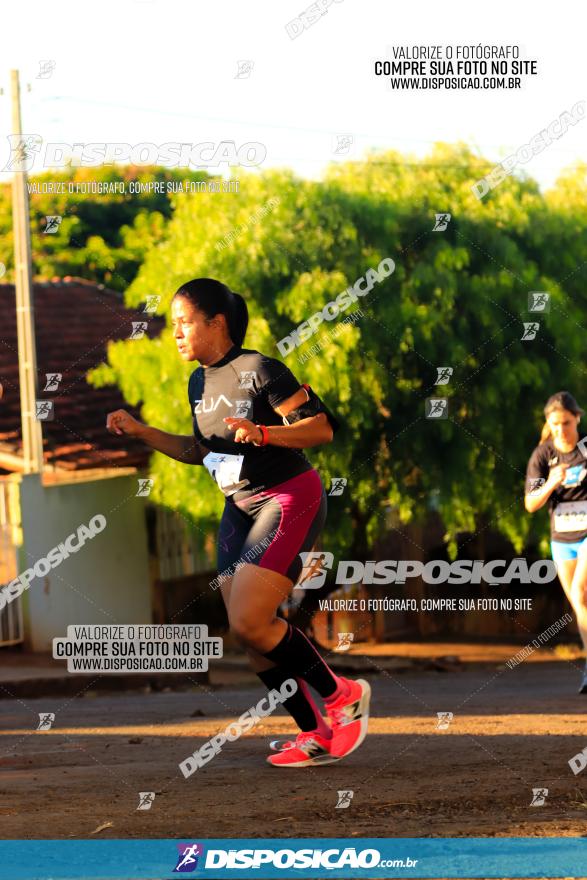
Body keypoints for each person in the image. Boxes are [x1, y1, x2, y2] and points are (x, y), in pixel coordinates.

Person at [106, 277, 371, 765]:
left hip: (289, 495)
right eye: (175, 325)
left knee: (252, 620)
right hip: (239, 507)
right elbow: (200, 450)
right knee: (247, 631)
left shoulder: (259, 369)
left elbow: (320, 428)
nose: (177, 333)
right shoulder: (197, 383)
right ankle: (314, 733)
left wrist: (264, 433)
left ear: (217, 323)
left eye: (185, 323)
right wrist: (142, 432)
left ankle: (342, 694)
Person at [524, 391, 587, 693]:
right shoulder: (542, 456)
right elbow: (530, 504)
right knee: (581, 603)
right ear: (548, 423)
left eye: (566, 422)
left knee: (580, 589)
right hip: (562, 539)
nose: (561, 429)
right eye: (555, 423)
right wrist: (551, 482)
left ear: (577, 418)